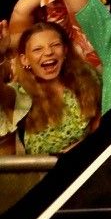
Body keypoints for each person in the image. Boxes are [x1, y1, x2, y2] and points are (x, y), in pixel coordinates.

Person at [8, 22, 101, 154]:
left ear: (65, 51)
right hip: (45, 172)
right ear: (25, 60)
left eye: (55, 45)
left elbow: (100, 124)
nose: (48, 52)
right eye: (37, 49)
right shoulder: (19, 93)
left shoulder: (86, 76)